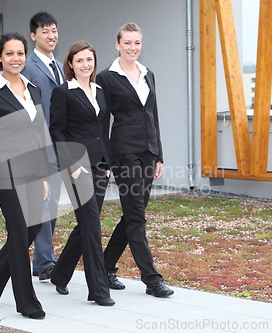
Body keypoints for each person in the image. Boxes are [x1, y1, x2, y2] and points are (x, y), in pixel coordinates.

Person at [96, 22, 174, 298]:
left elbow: (153, 115)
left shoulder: (147, 74)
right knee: (136, 217)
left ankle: (105, 266)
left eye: (137, 43)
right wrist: (103, 160)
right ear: (117, 45)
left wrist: (159, 155)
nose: (132, 48)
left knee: (134, 214)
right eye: (127, 43)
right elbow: (102, 122)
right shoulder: (106, 77)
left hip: (148, 152)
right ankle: (152, 279)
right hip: (124, 153)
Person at [0, 32, 49, 320]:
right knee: (19, 231)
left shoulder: (34, 90)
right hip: (4, 173)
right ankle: (27, 302)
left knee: (32, 229)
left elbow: (39, 136)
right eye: (9, 53)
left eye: (20, 53)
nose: (15, 58)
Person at [49, 41, 114, 306]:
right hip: (77, 168)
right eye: (79, 61)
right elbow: (57, 131)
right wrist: (71, 164)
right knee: (93, 228)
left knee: (87, 224)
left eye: (89, 60)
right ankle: (98, 290)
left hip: (99, 165)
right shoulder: (63, 92)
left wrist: (108, 163)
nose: (85, 65)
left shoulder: (100, 91)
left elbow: (103, 131)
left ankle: (60, 274)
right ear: (71, 65)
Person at [21, 11, 64, 281]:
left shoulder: (59, 66)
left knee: (54, 203)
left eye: (54, 30)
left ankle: (43, 259)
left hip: (60, 144)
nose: (51, 35)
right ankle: (45, 261)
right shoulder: (27, 66)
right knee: (43, 202)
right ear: (33, 35)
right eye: (45, 31)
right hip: (40, 144)